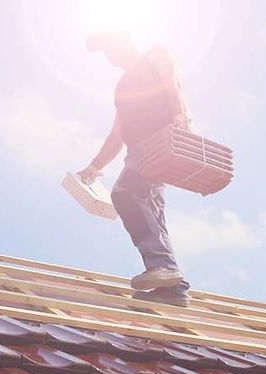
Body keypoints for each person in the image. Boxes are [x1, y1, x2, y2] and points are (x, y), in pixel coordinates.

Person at [78, 30, 191, 305]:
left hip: (160, 141)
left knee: (125, 193)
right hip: (137, 151)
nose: (109, 55)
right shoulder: (122, 88)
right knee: (152, 213)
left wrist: (181, 118)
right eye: (104, 51)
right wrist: (94, 167)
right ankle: (173, 289)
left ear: (126, 40)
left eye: (111, 46)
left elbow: (171, 85)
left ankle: (162, 266)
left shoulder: (156, 54)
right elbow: (116, 135)